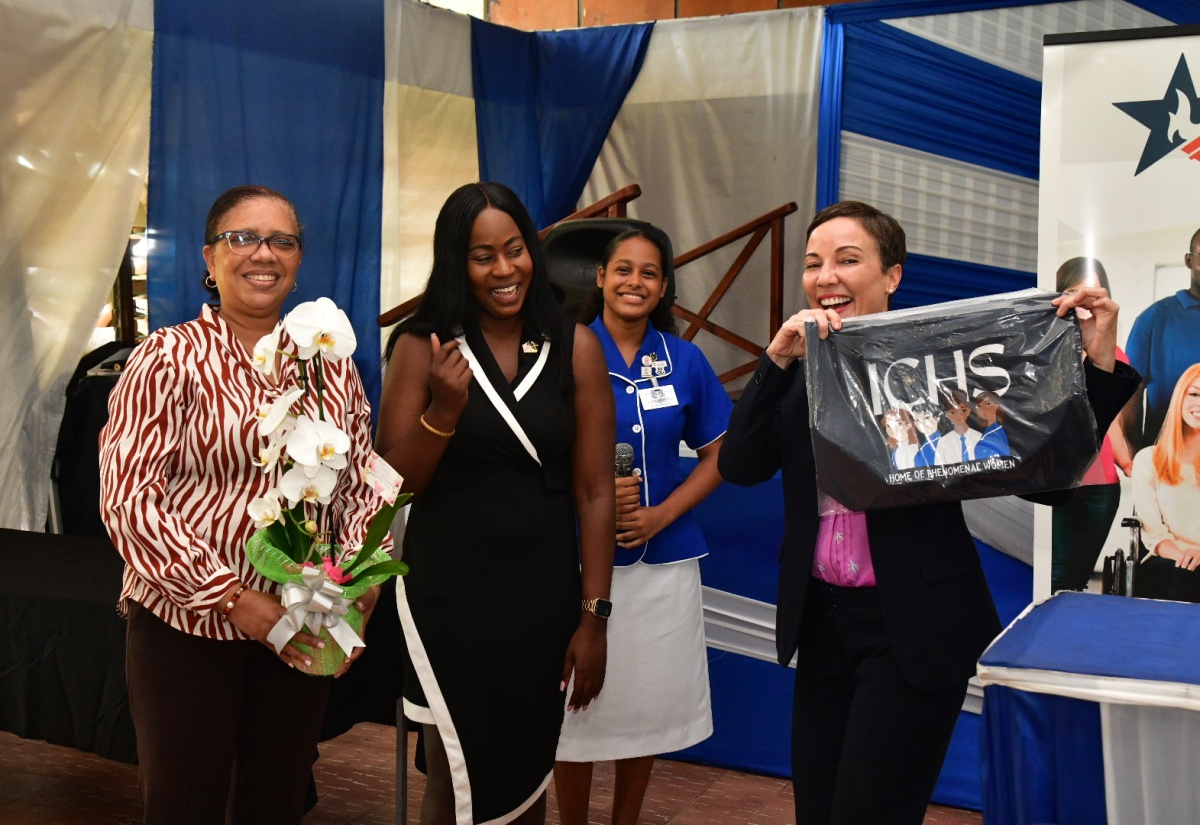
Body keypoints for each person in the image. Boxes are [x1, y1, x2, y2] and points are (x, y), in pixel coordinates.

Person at [717, 200, 1140, 825]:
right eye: (813, 263)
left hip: (913, 629)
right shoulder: (805, 369)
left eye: (848, 260)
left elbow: (1045, 480)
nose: (826, 275)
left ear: (892, 275)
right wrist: (777, 359)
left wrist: (1097, 365)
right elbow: (740, 466)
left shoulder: (943, 369)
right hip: (823, 628)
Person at [98, 185, 389, 823]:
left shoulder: (331, 368)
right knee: (184, 804)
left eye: (281, 241)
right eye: (242, 238)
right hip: (188, 627)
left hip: (302, 623)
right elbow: (129, 501)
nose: (263, 253)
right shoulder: (167, 358)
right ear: (209, 258)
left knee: (276, 799)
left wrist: (359, 586)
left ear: (298, 261)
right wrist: (233, 599)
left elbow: (363, 481)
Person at [375, 181, 615, 825]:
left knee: (526, 776)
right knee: (454, 777)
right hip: (447, 594)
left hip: (540, 597)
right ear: (457, 261)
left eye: (515, 250)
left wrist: (594, 618)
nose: (504, 270)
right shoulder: (420, 343)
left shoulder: (576, 344)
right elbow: (393, 488)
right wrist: (442, 413)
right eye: (484, 256)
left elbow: (595, 493)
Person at [554, 228, 731, 825]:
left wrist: (662, 513)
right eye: (622, 270)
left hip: (664, 563)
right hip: (579, 561)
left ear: (662, 289)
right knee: (572, 708)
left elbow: (720, 457)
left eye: (649, 273)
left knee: (647, 706)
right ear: (600, 278)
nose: (634, 282)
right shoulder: (565, 350)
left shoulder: (684, 360)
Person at [1050, 257, 1134, 592]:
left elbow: (1109, 418)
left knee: (1076, 580)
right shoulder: (1045, 350)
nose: (1084, 300)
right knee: (1052, 577)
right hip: (1056, 483)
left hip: (1102, 486)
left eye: (1093, 292)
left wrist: (1129, 462)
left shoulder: (1117, 355)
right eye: (1073, 290)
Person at [1121, 228, 1200, 450]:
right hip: (1167, 457)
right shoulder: (1155, 318)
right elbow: (1131, 390)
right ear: (1189, 260)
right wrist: (1138, 451)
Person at [1130, 363, 1200, 603]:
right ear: (1181, 397)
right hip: (1168, 562)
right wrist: (1184, 556)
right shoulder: (1149, 460)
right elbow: (1153, 534)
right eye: (1194, 394)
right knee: (1181, 576)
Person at [935, 387, 980, 465]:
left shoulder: (980, 438)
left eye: (963, 410)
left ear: (969, 410)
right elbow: (939, 469)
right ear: (947, 414)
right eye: (953, 412)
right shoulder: (943, 442)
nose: (959, 416)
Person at [973, 391, 1011, 459]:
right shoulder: (988, 432)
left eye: (987, 404)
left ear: (997, 406)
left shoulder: (997, 433)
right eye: (978, 406)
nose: (983, 409)